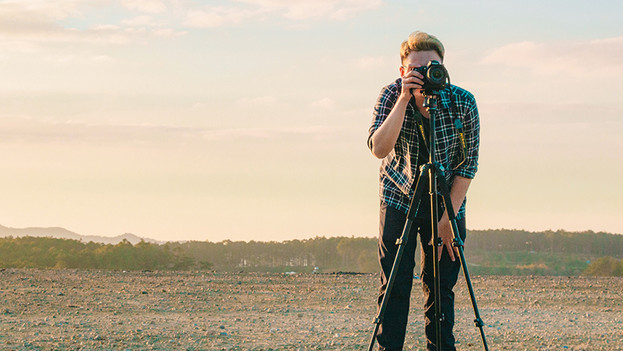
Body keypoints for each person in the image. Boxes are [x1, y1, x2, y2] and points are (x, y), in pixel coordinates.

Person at [367, 31, 480, 351]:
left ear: (443, 67)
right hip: (397, 195)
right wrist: (405, 99)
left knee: (441, 285)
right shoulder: (391, 95)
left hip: (447, 199)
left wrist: (448, 219)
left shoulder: (463, 101)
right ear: (402, 71)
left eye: (432, 66)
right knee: (395, 285)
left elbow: (468, 166)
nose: (424, 73)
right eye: (415, 68)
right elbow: (378, 148)